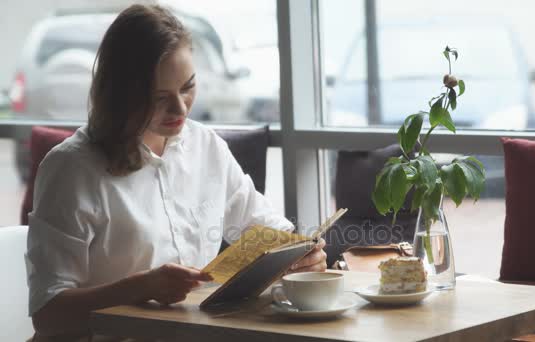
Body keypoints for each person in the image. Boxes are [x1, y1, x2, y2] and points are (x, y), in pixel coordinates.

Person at [25, 4, 327, 340]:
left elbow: (262, 227)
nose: (181, 108)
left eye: (188, 87)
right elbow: (48, 315)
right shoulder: (72, 169)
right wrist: (140, 286)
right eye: (160, 97)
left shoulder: (205, 145)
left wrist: (299, 254)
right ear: (122, 94)